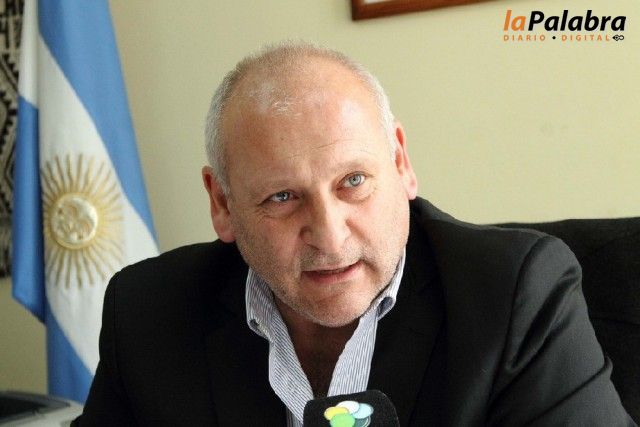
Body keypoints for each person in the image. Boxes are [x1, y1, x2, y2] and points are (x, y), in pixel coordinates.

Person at [73, 42, 635, 426]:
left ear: (401, 162)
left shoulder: (515, 295)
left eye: (353, 182)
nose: (329, 234)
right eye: (282, 197)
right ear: (222, 203)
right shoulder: (147, 311)